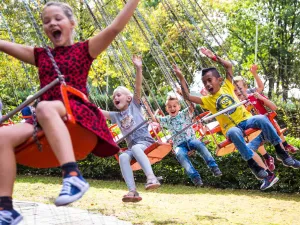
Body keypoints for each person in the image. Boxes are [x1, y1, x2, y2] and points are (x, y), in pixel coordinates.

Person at [0, 1, 140, 223]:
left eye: (57, 18)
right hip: (46, 119)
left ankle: (73, 176)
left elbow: (114, 28)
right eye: (46, 21)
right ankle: (6, 209)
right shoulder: (41, 55)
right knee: (2, 137)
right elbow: (4, 44)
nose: (51, 24)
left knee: (44, 107)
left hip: (75, 111)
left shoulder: (85, 49)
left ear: (71, 23)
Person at [175, 47, 300, 190]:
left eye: (210, 80)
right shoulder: (207, 100)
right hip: (231, 128)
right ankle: (254, 166)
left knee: (262, 118)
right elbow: (187, 96)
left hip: (246, 120)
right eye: (205, 83)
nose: (208, 84)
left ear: (219, 80)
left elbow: (228, 66)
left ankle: (281, 152)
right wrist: (181, 78)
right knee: (234, 133)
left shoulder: (227, 86)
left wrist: (214, 57)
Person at [101, 55, 161, 203]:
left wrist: (138, 68)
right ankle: (132, 191)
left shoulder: (134, 104)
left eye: (118, 94)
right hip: (132, 146)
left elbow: (138, 87)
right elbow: (100, 112)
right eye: (114, 96)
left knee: (136, 149)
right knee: (122, 156)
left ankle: (151, 177)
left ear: (128, 98)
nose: (115, 97)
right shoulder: (116, 116)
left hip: (144, 141)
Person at [147, 83, 222, 187]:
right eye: (169, 107)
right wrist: (148, 109)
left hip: (191, 140)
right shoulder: (167, 120)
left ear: (179, 106)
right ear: (167, 109)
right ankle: (195, 178)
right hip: (179, 145)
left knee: (199, 144)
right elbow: (155, 119)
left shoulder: (184, 113)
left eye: (174, 106)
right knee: (180, 155)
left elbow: (192, 105)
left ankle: (213, 167)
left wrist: (182, 94)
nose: (172, 108)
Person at [234, 65, 299, 156]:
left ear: (246, 87)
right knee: (254, 134)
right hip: (254, 127)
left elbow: (262, 89)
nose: (238, 92)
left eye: (240, 89)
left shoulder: (253, 95)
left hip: (266, 122)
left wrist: (254, 74)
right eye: (235, 91)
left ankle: (284, 146)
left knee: (272, 122)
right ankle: (267, 157)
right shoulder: (237, 105)